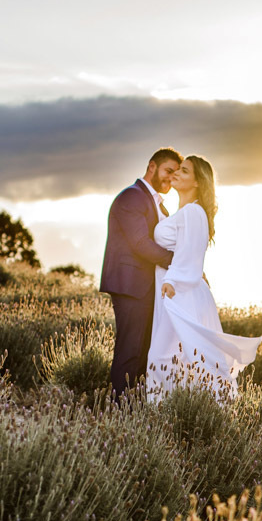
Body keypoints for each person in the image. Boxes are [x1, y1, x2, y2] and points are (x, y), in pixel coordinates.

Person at [146, 155, 262, 400]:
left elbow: (189, 254)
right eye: (178, 169)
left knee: (164, 357)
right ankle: (184, 411)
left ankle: (176, 410)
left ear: (198, 182)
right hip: (178, 289)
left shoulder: (192, 211)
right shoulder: (185, 212)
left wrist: (172, 280)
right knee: (181, 357)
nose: (176, 173)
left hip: (179, 292)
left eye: (184, 171)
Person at [99, 148, 181, 397]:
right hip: (131, 286)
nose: (171, 178)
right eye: (168, 171)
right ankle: (119, 409)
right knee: (130, 351)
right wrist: (178, 263)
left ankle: (133, 408)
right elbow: (140, 243)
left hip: (148, 288)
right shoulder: (132, 196)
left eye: (176, 174)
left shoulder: (160, 206)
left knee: (144, 351)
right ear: (152, 166)